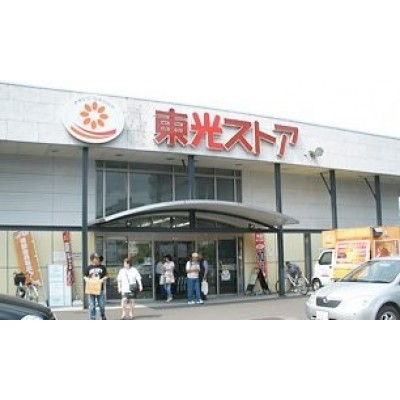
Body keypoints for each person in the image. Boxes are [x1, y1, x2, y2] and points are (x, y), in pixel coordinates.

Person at [117, 254, 143, 320]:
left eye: (126, 263)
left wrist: (140, 285)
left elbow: (138, 278)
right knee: (124, 300)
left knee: (132, 300)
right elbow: (119, 280)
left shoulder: (134, 270)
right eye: (124, 263)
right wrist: (119, 287)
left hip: (132, 288)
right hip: (124, 288)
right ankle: (124, 313)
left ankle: (131, 313)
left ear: (129, 264)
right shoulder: (121, 271)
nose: (124, 265)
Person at [84, 252, 108, 320]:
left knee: (101, 305)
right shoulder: (88, 268)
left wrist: (102, 280)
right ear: (92, 259)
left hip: (100, 289)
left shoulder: (102, 267)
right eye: (96, 258)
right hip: (91, 289)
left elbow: (106, 276)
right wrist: (87, 280)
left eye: (98, 258)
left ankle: (102, 315)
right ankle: (93, 318)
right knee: (92, 305)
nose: (98, 259)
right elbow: (85, 276)